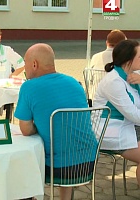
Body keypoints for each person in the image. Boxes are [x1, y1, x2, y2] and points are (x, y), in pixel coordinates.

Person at [14, 43, 94, 200]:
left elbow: (25, 129)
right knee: (66, 145)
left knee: (18, 165)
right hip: (88, 163)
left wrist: (39, 125)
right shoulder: (74, 83)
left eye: (25, 63)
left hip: (58, 168)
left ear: (34, 64)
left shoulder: (29, 87)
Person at [93, 39, 140, 187]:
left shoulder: (133, 75)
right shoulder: (114, 82)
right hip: (110, 131)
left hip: (130, 126)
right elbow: (134, 115)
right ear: (128, 60)